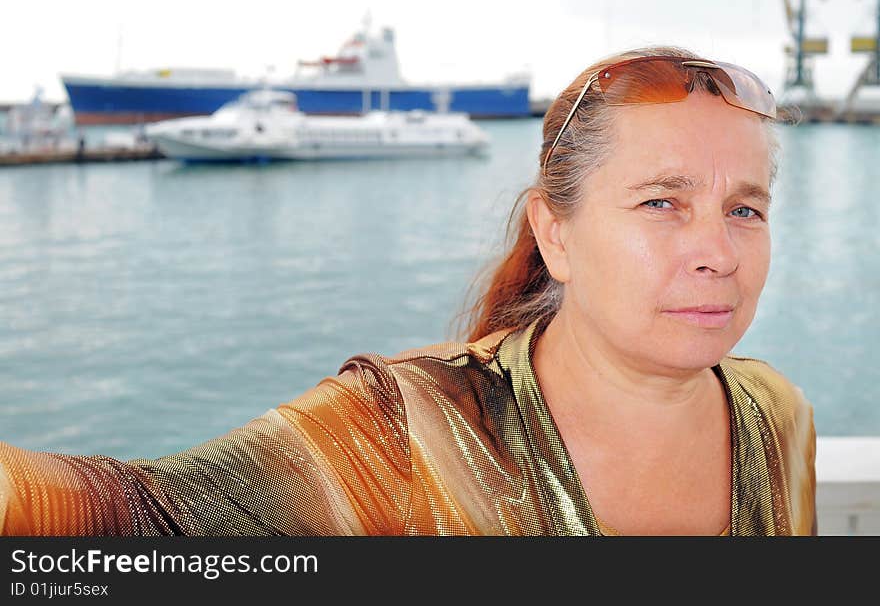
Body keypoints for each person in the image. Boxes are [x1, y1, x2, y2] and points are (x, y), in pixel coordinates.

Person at [0, 46, 816, 536]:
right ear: (554, 233)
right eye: (661, 201)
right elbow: (145, 517)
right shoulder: (410, 428)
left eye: (745, 207)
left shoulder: (776, 415)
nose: (717, 250)